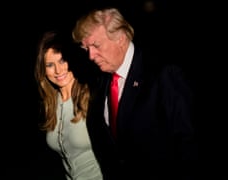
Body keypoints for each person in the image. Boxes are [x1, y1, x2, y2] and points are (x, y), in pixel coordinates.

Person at [72, 7, 198, 179]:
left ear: (121, 38)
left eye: (96, 45)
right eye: (86, 49)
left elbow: (189, 146)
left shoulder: (164, 75)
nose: (91, 56)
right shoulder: (100, 80)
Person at [35, 29, 103, 180]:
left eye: (62, 61)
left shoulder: (92, 97)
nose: (58, 71)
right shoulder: (51, 104)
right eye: (50, 65)